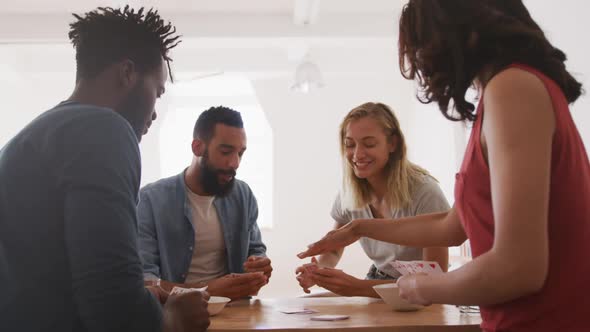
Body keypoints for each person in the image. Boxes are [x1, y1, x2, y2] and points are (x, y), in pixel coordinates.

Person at [298, 1, 590, 331]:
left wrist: (423, 288)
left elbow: (519, 267)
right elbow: (454, 225)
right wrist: (358, 229)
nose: (423, 62)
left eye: (425, 44)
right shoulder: (511, 91)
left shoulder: (512, 88)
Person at [0, 6, 210, 332]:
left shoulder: (40, 135)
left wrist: (140, 296)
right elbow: (116, 312)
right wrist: (176, 317)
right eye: (157, 91)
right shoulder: (103, 129)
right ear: (127, 73)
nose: (154, 114)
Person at [295, 102, 449, 297]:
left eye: (369, 144)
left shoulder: (425, 193)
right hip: (377, 280)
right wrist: (318, 271)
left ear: (393, 143)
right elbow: (333, 250)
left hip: (421, 292)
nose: (357, 154)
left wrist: (357, 288)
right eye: (350, 145)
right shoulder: (349, 193)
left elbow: (434, 280)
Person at [138, 106, 271, 300]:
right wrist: (207, 291)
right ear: (197, 147)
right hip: (176, 318)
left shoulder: (243, 195)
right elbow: (146, 283)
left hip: (235, 312)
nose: (235, 163)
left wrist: (260, 265)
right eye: (226, 152)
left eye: (240, 153)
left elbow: (256, 250)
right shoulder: (150, 200)